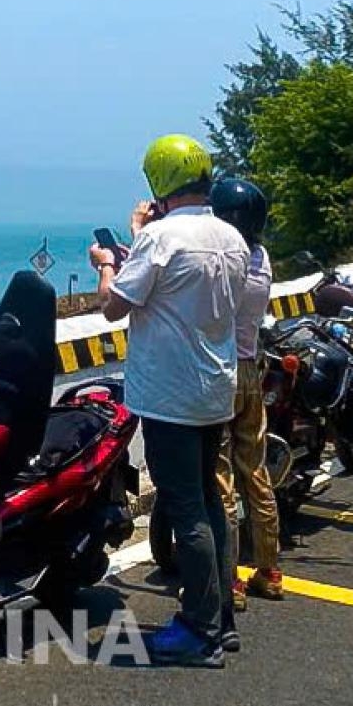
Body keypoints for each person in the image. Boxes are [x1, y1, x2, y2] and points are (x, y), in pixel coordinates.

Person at [90, 134, 248, 667]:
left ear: (158, 180)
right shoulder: (232, 237)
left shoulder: (160, 238)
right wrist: (140, 238)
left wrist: (106, 263)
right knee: (209, 501)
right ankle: (221, 618)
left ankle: (198, 631)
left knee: (185, 508)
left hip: (170, 395)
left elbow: (114, 306)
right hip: (215, 388)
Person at [209, 177, 283, 605]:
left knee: (221, 476)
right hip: (251, 368)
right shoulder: (262, 258)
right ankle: (269, 569)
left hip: (221, 373)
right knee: (255, 471)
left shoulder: (227, 261)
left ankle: (230, 578)